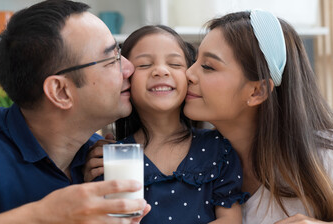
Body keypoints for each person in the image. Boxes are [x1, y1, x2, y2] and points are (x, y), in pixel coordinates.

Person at [0, 0, 150, 223]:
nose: (130, 68)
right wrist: (42, 216)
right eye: (113, 59)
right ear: (61, 91)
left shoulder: (98, 160)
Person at [184, 9, 333, 223]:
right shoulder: (189, 160)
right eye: (194, 61)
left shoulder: (330, 156)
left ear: (257, 91)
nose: (188, 73)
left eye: (208, 66)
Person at [84, 25, 249, 224]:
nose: (160, 71)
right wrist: (91, 190)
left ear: (189, 76)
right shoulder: (114, 158)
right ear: (126, 79)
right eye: (144, 65)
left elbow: (230, 220)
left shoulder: (217, 148)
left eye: (175, 64)